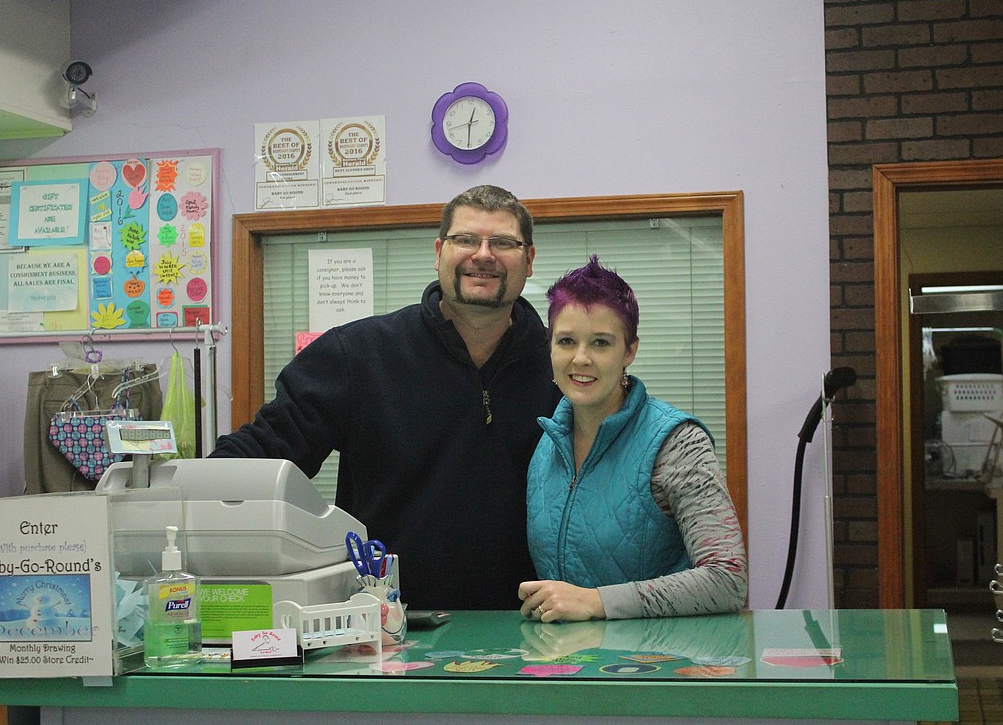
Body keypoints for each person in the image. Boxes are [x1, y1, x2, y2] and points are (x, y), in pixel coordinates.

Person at [211, 185, 560, 610]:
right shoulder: (357, 354)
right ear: (438, 252)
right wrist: (174, 494)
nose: (483, 254)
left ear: (529, 259)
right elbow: (263, 454)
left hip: (532, 627)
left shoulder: (563, 368)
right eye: (465, 239)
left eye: (503, 242)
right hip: (386, 628)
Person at [518, 256, 747, 622]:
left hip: (661, 668)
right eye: (566, 341)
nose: (581, 358)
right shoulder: (547, 447)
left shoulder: (676, 441)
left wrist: (597, 602)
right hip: (573, 666)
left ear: (629, 352)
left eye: (600, 343)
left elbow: (727, 579)